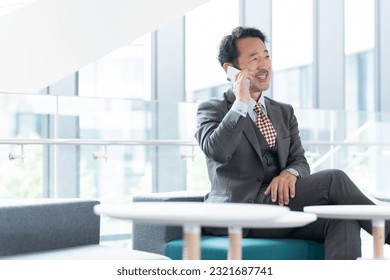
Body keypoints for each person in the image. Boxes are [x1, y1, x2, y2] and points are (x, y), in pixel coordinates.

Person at [194, 26, 390, 260]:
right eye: (254, 58)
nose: (264, 64)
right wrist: (241, 104)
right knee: (334, 179)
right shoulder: (212, 109)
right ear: (231, 69)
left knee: (342, 219)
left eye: (266, 56)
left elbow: (299, 160)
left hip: (279, 206)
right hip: (238, 210)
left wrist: (291, 173)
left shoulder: (283, 112)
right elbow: (218, 150)